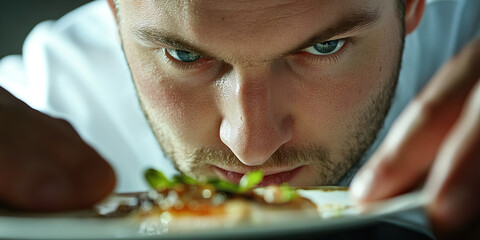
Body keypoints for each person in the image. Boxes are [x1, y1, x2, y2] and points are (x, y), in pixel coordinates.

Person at [0, 0, 478, 239]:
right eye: (183, 54)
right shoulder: (47, 100)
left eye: (324, 47)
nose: (251, 146)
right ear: (113, 10)